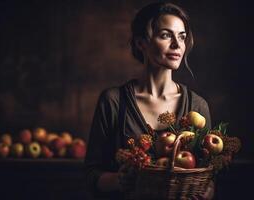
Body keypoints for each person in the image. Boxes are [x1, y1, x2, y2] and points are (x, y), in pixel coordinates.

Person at [85, 2, 214, 199]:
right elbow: (91, 175)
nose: (177, 45)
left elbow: (208, 178)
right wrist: (118, 180)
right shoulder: (113, 102)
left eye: (182, 37)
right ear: (141, 43)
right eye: (165, 35)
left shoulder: (198, 106)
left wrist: (205, 193)